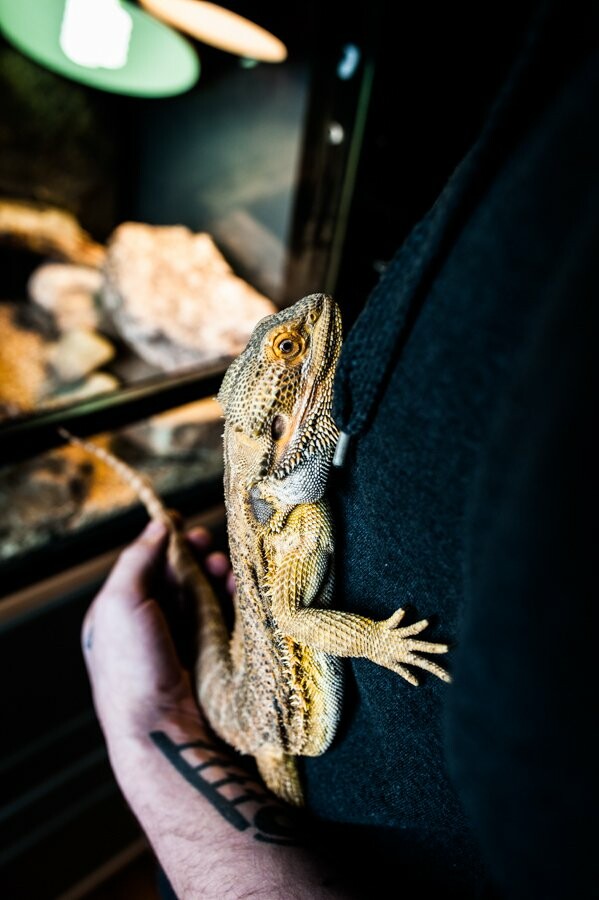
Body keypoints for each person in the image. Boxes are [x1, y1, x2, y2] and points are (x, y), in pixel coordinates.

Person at [82, 2, 597, 897]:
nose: (306, 327)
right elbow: (294, 618)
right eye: (288, 358)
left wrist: (143, 730)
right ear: (282, 420)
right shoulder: (284, 510)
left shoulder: (288, 500)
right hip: (289, 805)